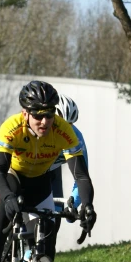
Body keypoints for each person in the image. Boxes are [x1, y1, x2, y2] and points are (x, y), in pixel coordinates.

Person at [0, 80, 97, 262]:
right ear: (25, 113)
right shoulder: (12, 126)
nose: (44, 121)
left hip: (40, 179)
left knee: (48, 227)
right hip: (11, 174)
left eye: (49, 114)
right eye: (37, 115)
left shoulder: (64, 130)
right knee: (4, 209)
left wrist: (88, 206)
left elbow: (81, 176)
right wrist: (8, 197)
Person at [48, 94, 89, 225]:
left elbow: (81, 175)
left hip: (52, 172)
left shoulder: (76, 137)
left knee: (55, 219)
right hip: (28, 171)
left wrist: (74, 202)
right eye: (60, 123)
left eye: (69, 125)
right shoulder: (40, 129)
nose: (64, 129)